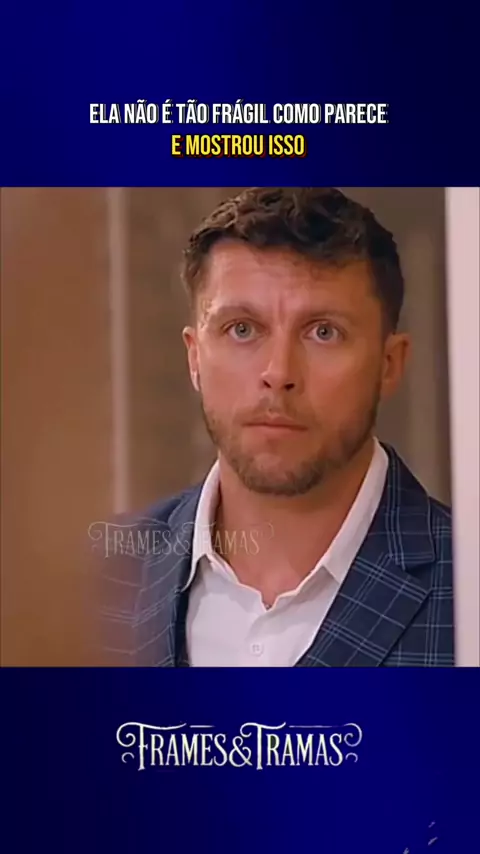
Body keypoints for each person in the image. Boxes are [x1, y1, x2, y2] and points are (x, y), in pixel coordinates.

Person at [99, 187, 454, 667]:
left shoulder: (464, 584)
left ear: (389, 364)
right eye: (242, 329)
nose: (279, 372)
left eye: (323, 332)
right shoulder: (96, 584)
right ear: (194, 357)